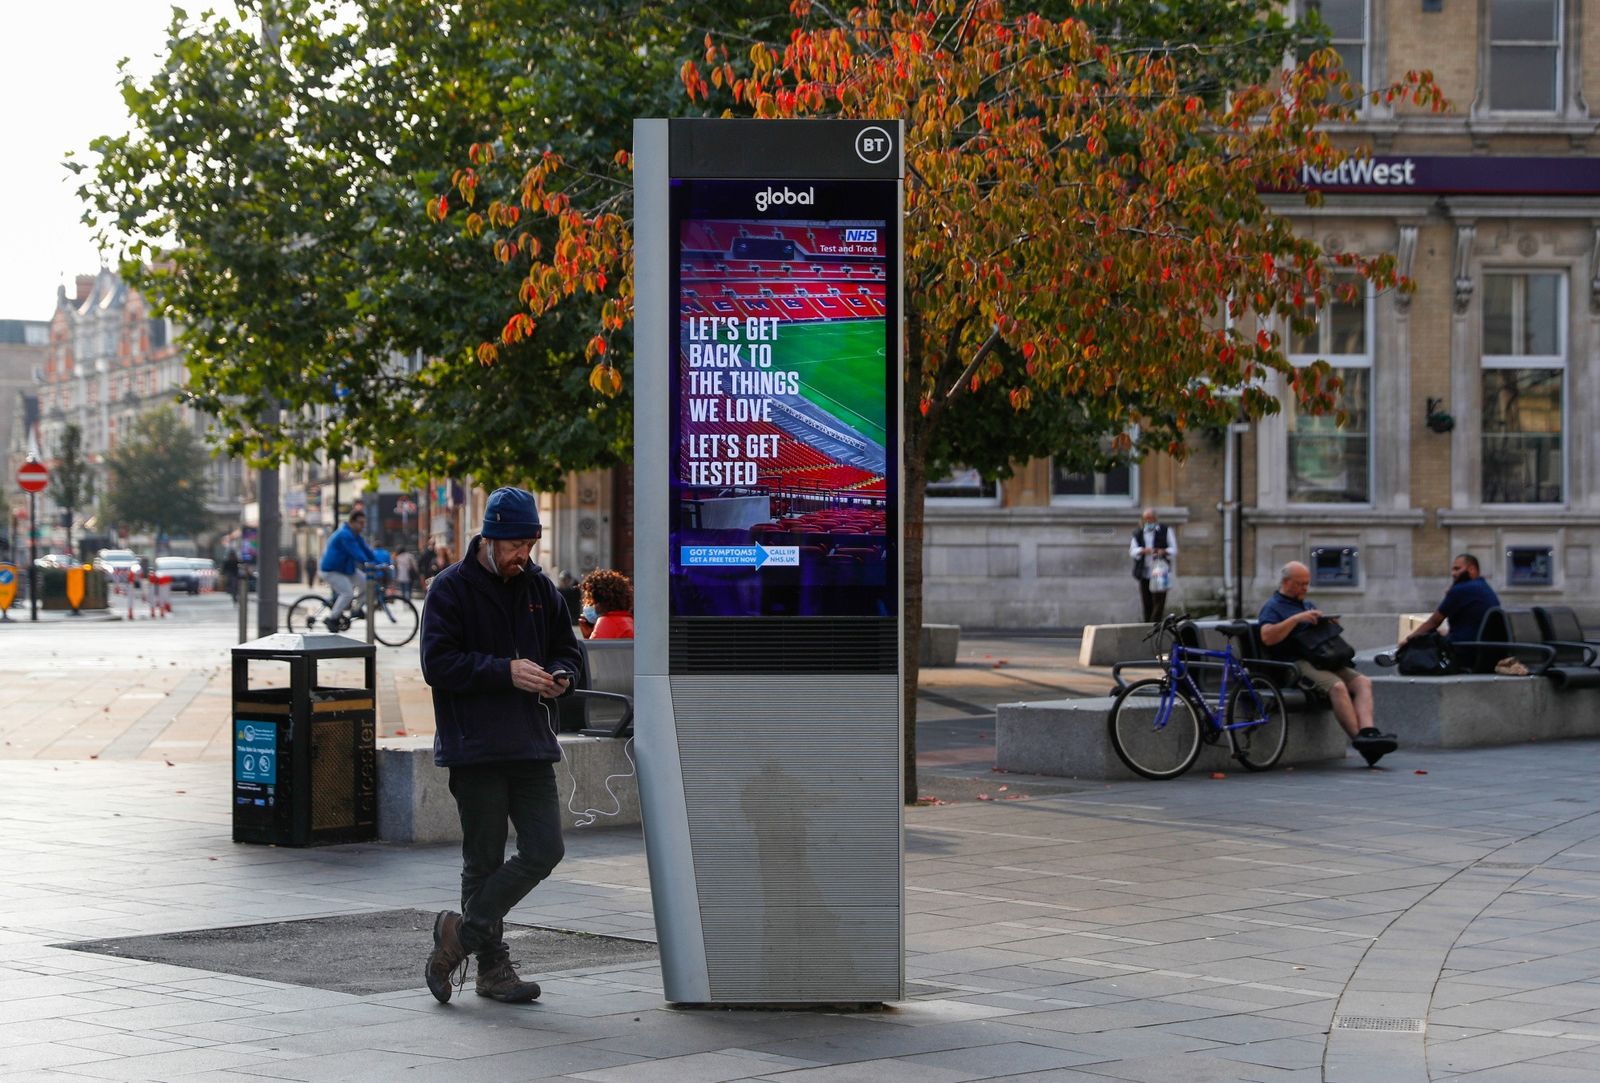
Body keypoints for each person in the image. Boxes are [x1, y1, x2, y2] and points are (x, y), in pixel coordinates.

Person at [420, 487, 584, 1005]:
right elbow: (437, 665)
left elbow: (568, 648)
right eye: (515, 545)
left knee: (545, 848)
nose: (523, 556)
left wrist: (563, 675)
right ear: (488, 538)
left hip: (531, 743)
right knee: (483, 860)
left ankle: (458, 936)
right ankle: (492, 969)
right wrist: (504, 671)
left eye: (530, 545)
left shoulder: (539, 587)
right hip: (476, 746)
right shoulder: (449, 589)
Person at [1259, 561, 1398, 766]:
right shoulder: (1272, 607)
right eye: (1300, 584)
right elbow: (1267, 637)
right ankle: (1360, 741)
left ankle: (1369, 732)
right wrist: (1296, 620)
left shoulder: (1307, 604)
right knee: (1338, 687)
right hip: (1294, 664)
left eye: (1307, 584)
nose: (1305, 588)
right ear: (1286, 582)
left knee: (1362, 682)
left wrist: (1327, 624)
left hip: (1322, 658)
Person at [1397, 553, 1502, 671]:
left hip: (1463, 652)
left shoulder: (1461, 590)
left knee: (1419, 646)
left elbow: (1434, 622)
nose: (1453, 573)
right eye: (1453, 569)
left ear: (1472, 569)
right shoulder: (1484, 587)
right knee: (1440, 633)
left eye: (1457, 569)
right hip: (1485, 652)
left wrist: (1408, 640)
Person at [318, 511, 378, 630]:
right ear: (352, 522)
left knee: (366, 583)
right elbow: (355, 552)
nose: (362, 526)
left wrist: (378, 562)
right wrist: (368, 562)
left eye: (363, 523)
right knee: (347, 593)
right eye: (360, 523)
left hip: (345, 569)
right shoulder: (345, 534)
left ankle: (356, 609)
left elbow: (366, 550)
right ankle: (332, 618)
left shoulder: (356, 535)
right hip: (331, 570)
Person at [1129, 508, 1176, 623]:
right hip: (1145, 572)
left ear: (1155, 519)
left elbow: (1173, 549)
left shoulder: (1165, 530)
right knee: (1147, 601)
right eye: (1146, 519)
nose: (1148, 522)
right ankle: (1147, 624)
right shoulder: (1138, 533)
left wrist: (1163, 551)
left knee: (1159, 601)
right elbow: (1132, 551)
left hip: (1160, 571)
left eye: (1151, 519)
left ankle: (1155, 624)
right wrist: (1143, 551)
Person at [578, 568, 634, 639]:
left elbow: (594, 649)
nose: (590, 606)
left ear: (602, 603)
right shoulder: (629, 620)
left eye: (592, 602)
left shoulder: (605, 622)